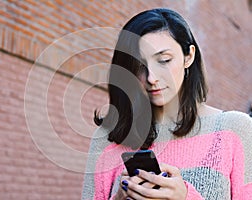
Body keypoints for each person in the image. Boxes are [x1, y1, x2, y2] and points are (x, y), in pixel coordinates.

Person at [82, 8, 252, 200]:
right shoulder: (108, 137)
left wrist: (185, 197)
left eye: (164, 60)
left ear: (188, 56)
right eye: (139, 66)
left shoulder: (235, 130)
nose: (152, 78)